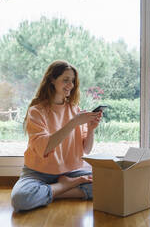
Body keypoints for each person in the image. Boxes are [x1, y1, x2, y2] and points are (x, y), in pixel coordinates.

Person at [11, 60, 102, 212]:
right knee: (20, 199)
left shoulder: (75, 110)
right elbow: (46, 147)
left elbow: (86, 150)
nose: (71, 85)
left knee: (109, 183)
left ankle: (52, 192)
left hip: (72, 172)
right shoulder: (36, 111)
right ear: (52, 80)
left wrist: (91, 129)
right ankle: (64, 186)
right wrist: (74, 123)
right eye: (65, 80)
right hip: (37, 173)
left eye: (72, 81)